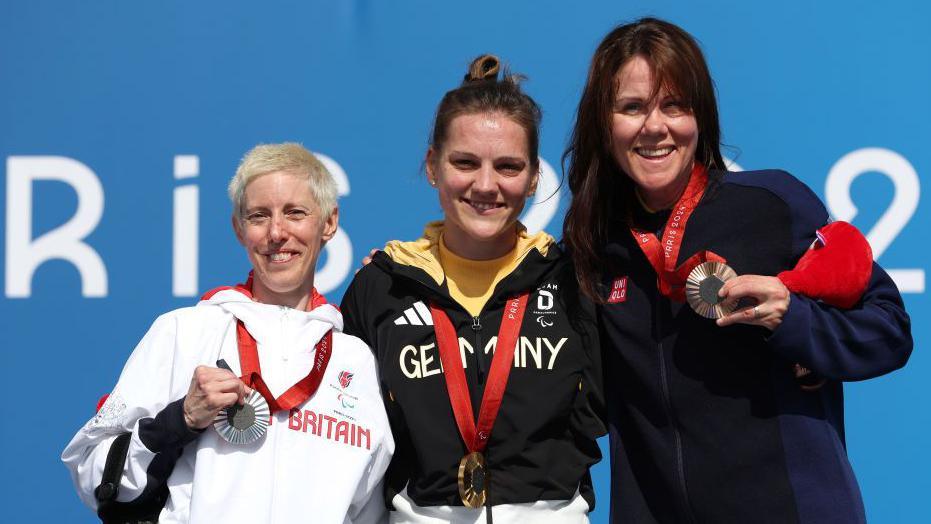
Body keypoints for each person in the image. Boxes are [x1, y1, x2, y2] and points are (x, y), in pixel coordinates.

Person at [562, 18, 913, 523]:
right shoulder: (593, 244)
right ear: (604, 122)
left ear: (699, 116)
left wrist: (794, 321)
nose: (655, 127)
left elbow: (889, 332)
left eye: (674, 105)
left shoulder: (772, 204)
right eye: (632, 107)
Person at [63, 143, 393, 523]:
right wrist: (179, 420)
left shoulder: (358, 359)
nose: (276, 232)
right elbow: (93, 474)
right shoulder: (183, 332)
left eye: (295, 213)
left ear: (329, 222)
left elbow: (371, 509)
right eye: (258, 216)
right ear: (239, 228)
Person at [340, 55, 605, 523]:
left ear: (534, 177)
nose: (486, 185)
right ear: (432, 166)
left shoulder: (573, 280)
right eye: (465, 162)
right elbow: (346, 440)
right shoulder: (381, 287)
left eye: (508, 166)